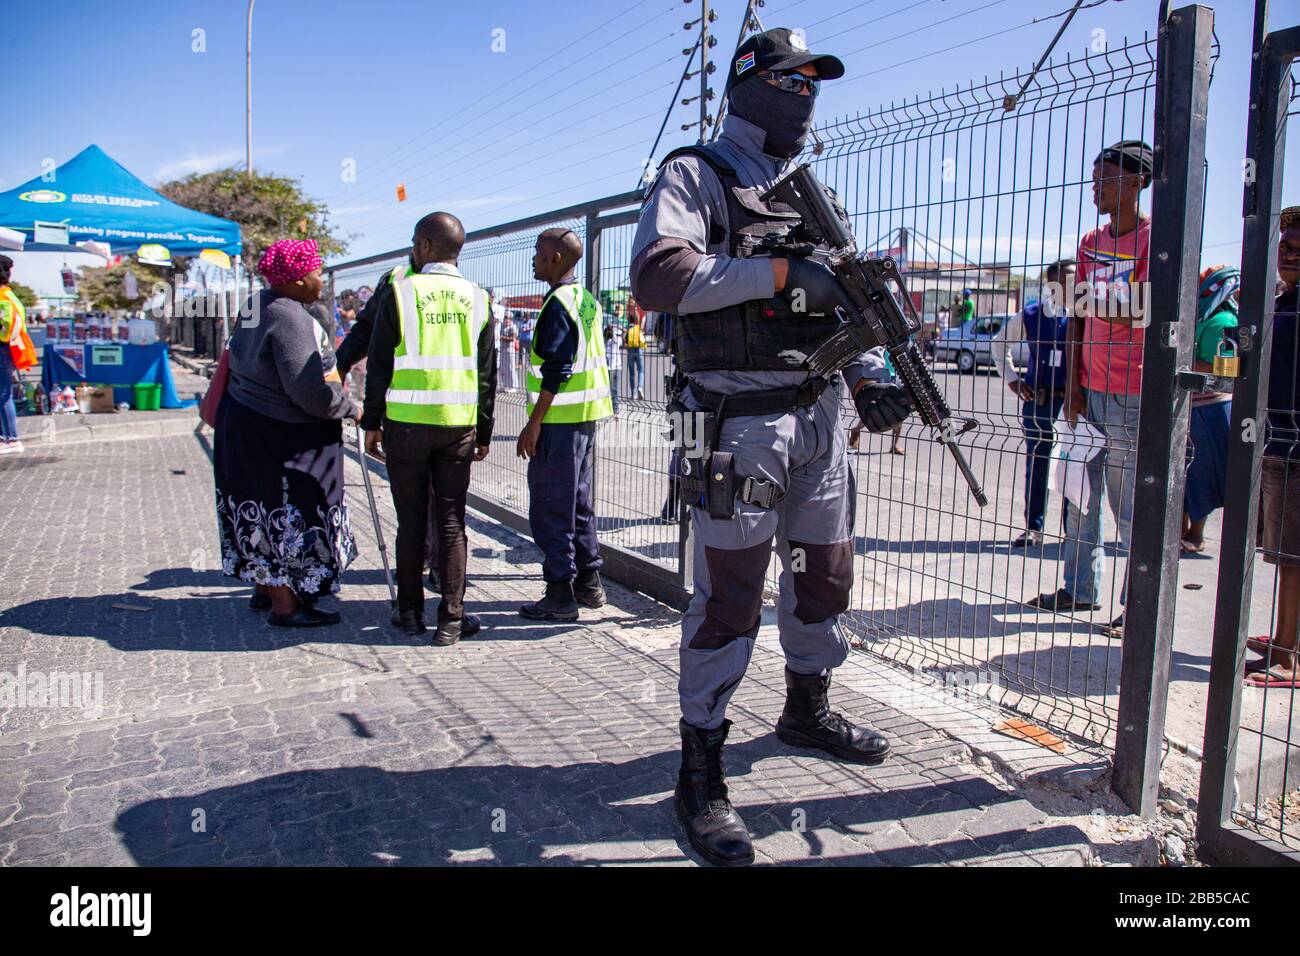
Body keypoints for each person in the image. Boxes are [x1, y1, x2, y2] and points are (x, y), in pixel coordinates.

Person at [630, 27, 909, 867]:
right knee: (731, 598)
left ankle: (805, 708)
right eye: (791, 81)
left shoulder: (811, 192)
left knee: (826, 574)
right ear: (748, 84)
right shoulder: (698, 174)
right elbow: (658, 276)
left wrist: (869, 376)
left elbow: (846, 306)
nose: (806, 94)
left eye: (814, 83)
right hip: (732, 422)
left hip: (818, 418)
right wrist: (782, 276)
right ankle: (699, 772)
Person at [1029, 140, 1153, 641]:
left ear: (1135, 183)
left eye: (1104, 178)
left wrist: (1085, 296)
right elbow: (1077, 312)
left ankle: (1139, 607)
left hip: (1134, 388)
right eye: (1093, 177)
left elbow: (1143, 308)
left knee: (1129, 507)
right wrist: (1073, 385)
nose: (1094, 188)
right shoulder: (1089, 241)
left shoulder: (1155, 240)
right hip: (1089, 387)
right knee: (1078, 495)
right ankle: (1080, 588)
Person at [361, 212, 496, 644]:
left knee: (411, 520)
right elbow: (488, 375)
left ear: (423, 246)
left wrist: (370, 421)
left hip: (405, 426)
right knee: (452, 521)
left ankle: (411, 614)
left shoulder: (400, 294)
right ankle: (452, 620)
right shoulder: (478, 298)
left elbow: (379, 366)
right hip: (457, 426)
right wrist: (486, 431)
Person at [214, 239, 358, 627]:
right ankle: (288, 606)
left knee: (258, 511)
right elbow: (308, 390)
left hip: (244, 422)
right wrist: (349, 409)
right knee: (289, 512)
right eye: (314, 272)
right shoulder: (290, 317)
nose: (320, 281)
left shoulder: (255, 305)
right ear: (295, 279)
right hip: (280, 436)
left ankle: (266, 590)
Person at [516, 227, 613, 621]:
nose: (535, 260)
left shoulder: (558, 304)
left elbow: (557, 369)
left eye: (539, 253)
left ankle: (559, 595)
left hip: (558, 422)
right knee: (579, 504)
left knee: (551, 507)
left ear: (556, 258)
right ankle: (588, 584)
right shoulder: (586, 300)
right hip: (586, 417)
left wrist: (533, 423)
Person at [1244, 209, 1300, 687]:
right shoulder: (1286, 300)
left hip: (1296, 442)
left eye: (1297, 247)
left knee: (1294, 554)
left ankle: (1286, 656)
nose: (1288, 253)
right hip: (1280, 438)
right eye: (1284, 244)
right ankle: (1287, 637)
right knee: (1283, 550)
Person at [992, 259, 1076, 547]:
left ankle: (1073, 531)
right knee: (1038, 464)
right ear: (1053, 284)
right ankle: (1034, 527)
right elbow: (998, 343)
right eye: (1068, 279)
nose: (1075, 284)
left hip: (1072, 404)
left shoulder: (1083, 315)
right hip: (1039, 402)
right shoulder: (1029, 315)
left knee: (1071, 467)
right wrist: (1013, 379)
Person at [1181, 265, 1240, 554]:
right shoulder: (1201, 317)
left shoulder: (1225, 321)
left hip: (1211, 410)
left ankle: (1195, 533)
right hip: (1188, 407)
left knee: (1200, 473)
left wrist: (1185, 361)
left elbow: (1226, 371)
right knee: (1182, 473)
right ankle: (1177, 529)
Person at [0, 255, 35, 454]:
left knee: (3, 395)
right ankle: (5, 437)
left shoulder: (3, 298)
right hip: (7, 351)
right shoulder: (8, 295)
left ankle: (11, 439)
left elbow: (6, 331)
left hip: (3, 350)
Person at [604, 303, 624, 415]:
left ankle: (615, 408)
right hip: (609, 365)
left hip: (615, 365)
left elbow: (619, 340)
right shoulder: (606, 339)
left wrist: (616, 332)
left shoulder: (617, 337)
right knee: (609, 388)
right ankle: (610, 408)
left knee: (614, 388)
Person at [625, 310, 646, 400]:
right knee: (641, 370)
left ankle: (633, 394)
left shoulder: (628, 328)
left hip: (630, 350)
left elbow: (624, 339)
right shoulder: (638, 328)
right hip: (639, 350)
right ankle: (640, 387)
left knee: (631, 373)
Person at [499, 310, 519, 392]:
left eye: (509, 318)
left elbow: (512, 338)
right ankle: (505, 385)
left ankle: (513, 386)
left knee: (511, 367)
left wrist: (501, 337)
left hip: (510, 350)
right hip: (503, 350)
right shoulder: (503, 326)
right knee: (504, 368)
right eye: (505, 317)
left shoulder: (513, 327)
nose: (507, 319)